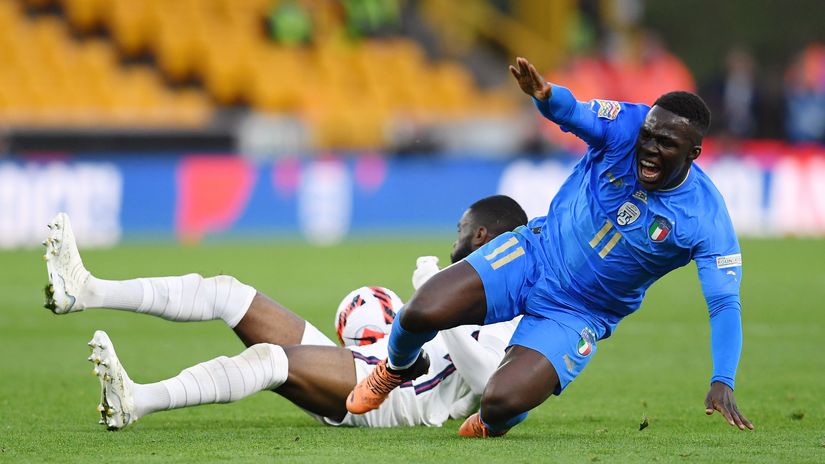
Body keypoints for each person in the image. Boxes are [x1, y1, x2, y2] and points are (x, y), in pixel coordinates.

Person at [346, 57, 753, 437]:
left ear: (693, 153)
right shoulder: (626, 125)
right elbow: (573, 112)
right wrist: (545, 95)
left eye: (665, 143)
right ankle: (396, 369)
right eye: (648, 135)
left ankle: (496, 417)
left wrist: (723, 379)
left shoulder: (706, 219)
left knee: (499, 402)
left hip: (580, 313)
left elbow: (724, 305)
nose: (648, 147)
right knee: (420, 312)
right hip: (535, 256)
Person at [42, 195, 528, 430]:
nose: (453, 240)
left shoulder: (512, 307)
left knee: (272, 361)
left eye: (460, 230)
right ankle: (86, 291)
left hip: (395, 402)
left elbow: (491, 384)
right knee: (226, 292)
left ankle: (138, 400)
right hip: (371, 368)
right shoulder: (466, 287)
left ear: (482, 236)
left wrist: (433, 309)